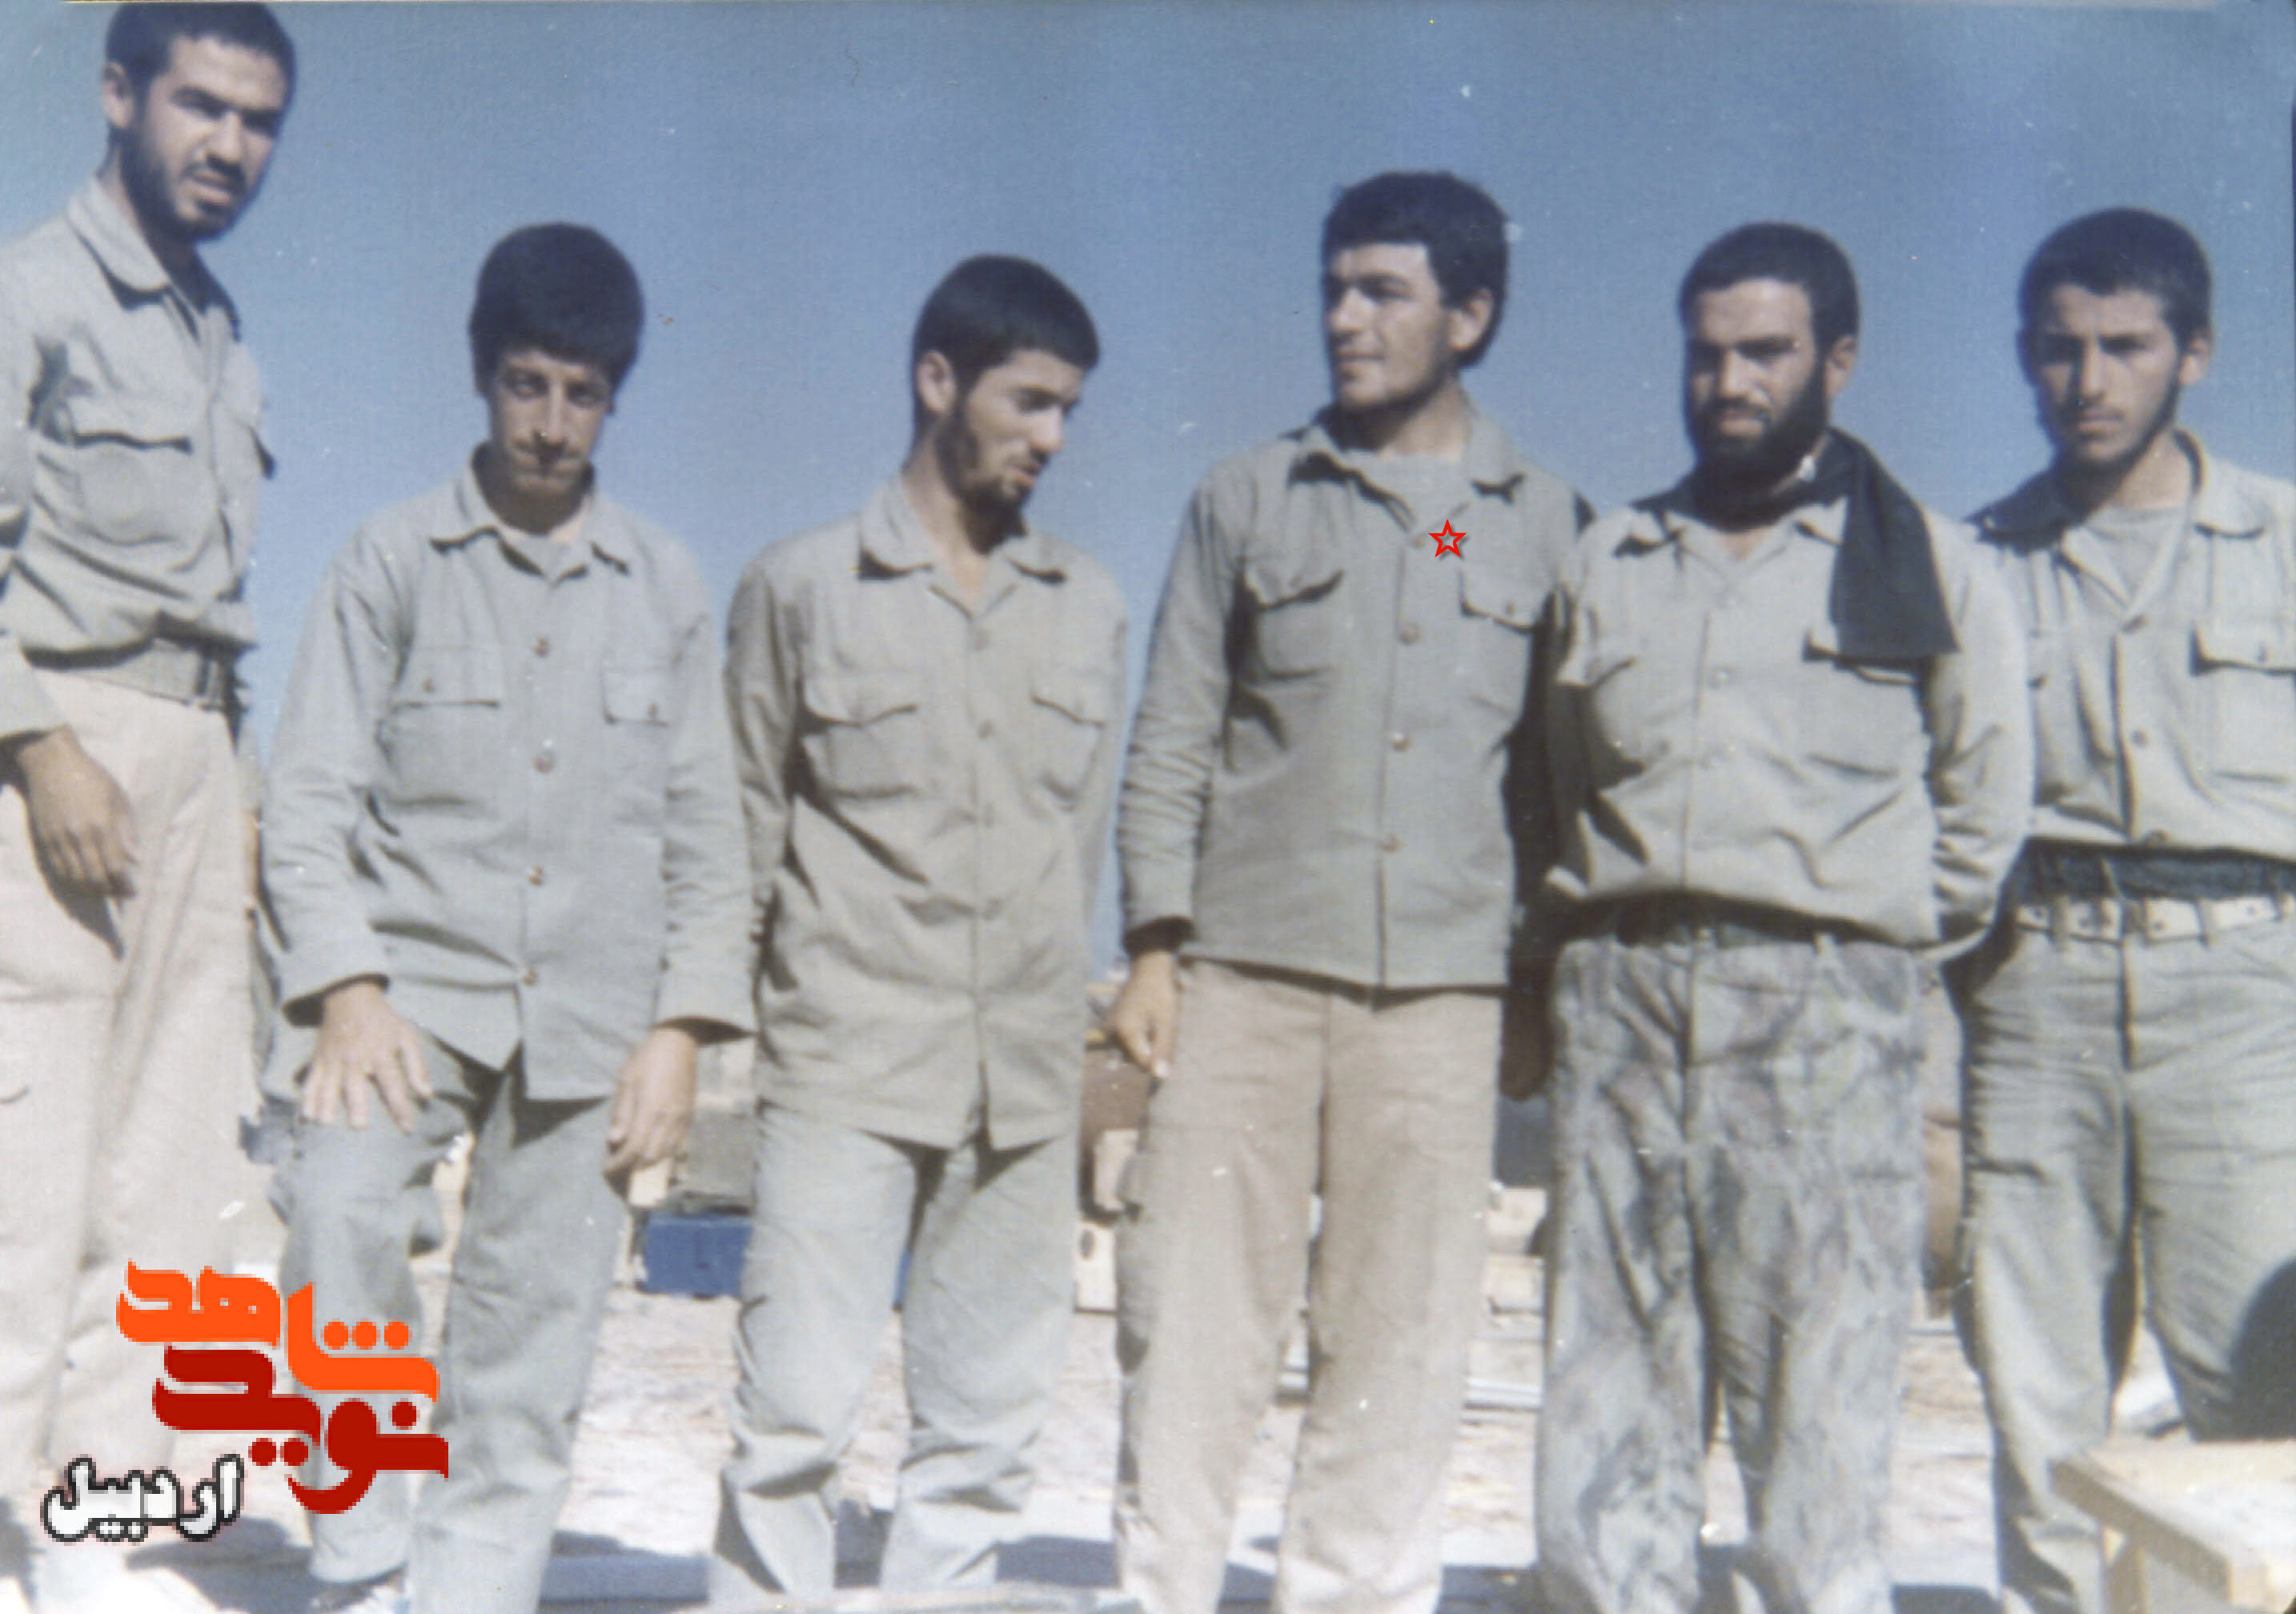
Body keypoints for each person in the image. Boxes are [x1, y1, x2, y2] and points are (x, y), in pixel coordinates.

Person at [1529, 223, 2030, 1614]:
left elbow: (1983, 809)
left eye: (1766, 353)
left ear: (1839, 362)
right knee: (1607, 1391)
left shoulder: (1932, 564)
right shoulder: (1606, 557)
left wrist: (1855, 951)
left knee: (1818, 1407)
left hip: (1823, 1015)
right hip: (1625, 1003)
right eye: (1707, 355)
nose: (1731, 383)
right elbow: (1561, 789)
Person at [1108, 171, 1586, 1614]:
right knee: (1193, 1331)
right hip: (1244, 983)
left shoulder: (1524, 526)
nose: (1345, 319)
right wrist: (1154, 948)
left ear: (1471, 317)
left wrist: (1533, 983)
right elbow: (1173, 735)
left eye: (1384, 292)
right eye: (1334, 288)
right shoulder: (1250, 501)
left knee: (1398, 1346)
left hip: (1439, 1001)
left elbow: (1550, 783)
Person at [262, 225, 752, 1614]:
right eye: (527, 384)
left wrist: (679, 1032)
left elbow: (710, 832)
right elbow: (306, 801)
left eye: (583, 394)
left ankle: (470, 1591)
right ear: (483, 376)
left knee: (533, 1339)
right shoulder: (389, 561)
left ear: (614, 400)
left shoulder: (664, 585)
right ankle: (362, 1569)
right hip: (404, 996)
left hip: (593, 1017)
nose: (550, 424)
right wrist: (348, 990)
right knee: (337, 1224)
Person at [710, 255, 1122, 1602]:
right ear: (938, 380)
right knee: (790, 1432)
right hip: (845, 1069)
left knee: (983, 1448)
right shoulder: (799, 588)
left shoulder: (1090, 608)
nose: (1053, 439)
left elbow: (1080, 847)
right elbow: (741, 837)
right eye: (1029, 403)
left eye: (1069, 411)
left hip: (1023, 1086)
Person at [1957, 208, 2296, 1614]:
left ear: (2194, 353)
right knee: (2038, 1383)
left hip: (2248, 991)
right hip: (2037, 988)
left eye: (2127, 346)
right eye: (2059, 349)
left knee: (2261, 1375)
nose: (2088, 381)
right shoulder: (1975, 562)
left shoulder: (2283, 541)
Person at [0, 7, 294, 1610]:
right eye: (201, 105)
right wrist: (39, 749)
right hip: (54, 742)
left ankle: (90, 1525)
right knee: (26, 1159)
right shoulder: (31, 294)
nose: (229, 145)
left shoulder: (221, 335)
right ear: (119, 94)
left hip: (194, 750)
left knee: (171, 1165)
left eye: (259, 120)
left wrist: (230, 794)